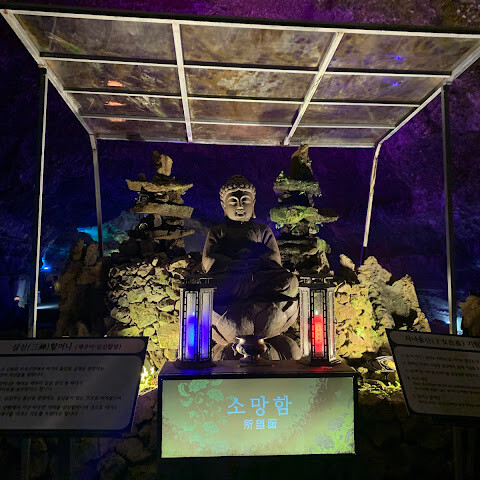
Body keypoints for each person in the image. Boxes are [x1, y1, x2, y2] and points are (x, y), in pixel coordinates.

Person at [202, 175, 299, 358]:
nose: (240, 206)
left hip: (259, 277)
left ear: (253, 204)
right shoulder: (218, 231)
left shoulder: (262, 229)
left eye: (245, 201)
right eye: (233, 201)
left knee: (290, 281)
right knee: (208, 287)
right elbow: (208, 259)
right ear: (224, 206)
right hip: (231, 279)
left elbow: (274, 258)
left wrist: (257, 260)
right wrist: (232, 263)